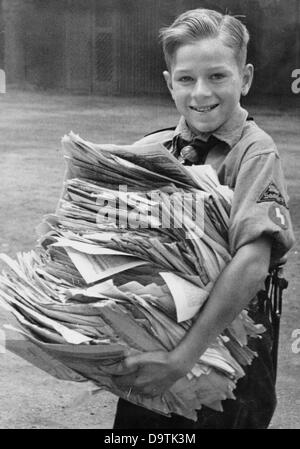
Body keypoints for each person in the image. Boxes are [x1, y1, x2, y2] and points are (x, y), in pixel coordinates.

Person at [111, 8, 295, 429]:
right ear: (168, 83)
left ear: (244, 78)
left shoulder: (254, 152)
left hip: (232, 341)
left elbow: (252, 262)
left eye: (217, 76)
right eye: (186, 79)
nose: (200, 93)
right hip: (160, 332)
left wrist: (181, 359)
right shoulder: (152, 148)